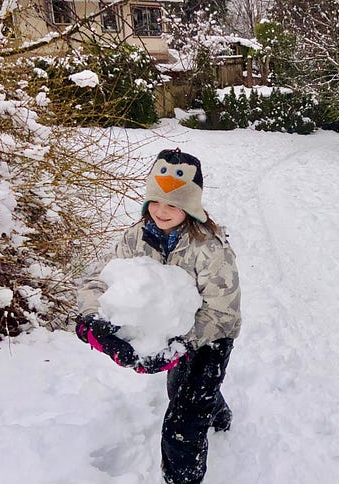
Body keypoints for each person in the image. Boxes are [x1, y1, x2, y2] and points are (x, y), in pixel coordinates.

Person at [75, 148, 241, 484]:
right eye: (155, 201)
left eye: (173, 204)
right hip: (169, 334)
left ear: (190, 206)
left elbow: (222, 311)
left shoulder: (210, 248)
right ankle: (217, 409)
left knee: (183, 424)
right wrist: (92, 317)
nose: (161, 211)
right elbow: (103, 279)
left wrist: (182, 345)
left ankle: (183, 476)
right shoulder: (137, 236)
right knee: (181, 388)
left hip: (210, 336)